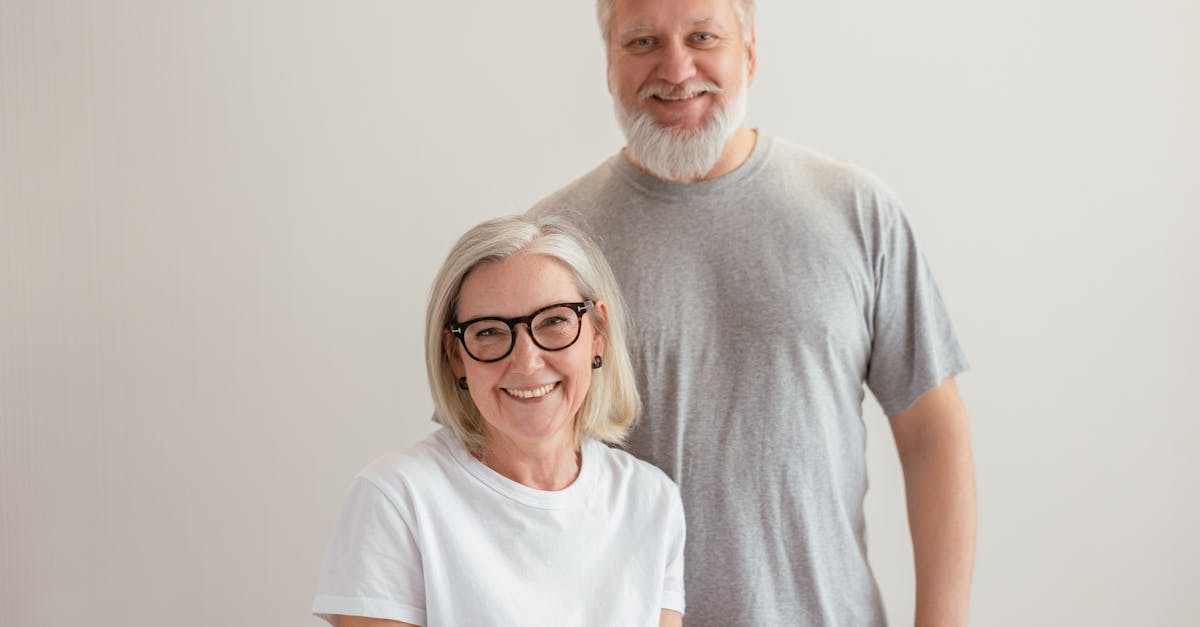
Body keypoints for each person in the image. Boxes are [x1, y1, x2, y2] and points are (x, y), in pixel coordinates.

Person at [528, 0, 977, 625]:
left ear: (751, 51)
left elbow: (933, 432)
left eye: (703, 36)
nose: (677, 68)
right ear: (608, 63)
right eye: (642, 42)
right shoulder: (548, 246)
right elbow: (488, 469)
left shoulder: (856, 211)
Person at [311, 215, 686, 627]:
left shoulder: (652, 502)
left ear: (598, 333)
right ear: (456, 357)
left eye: (555, 321)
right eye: (489, 332)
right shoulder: (397, 498)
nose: (526, 362)